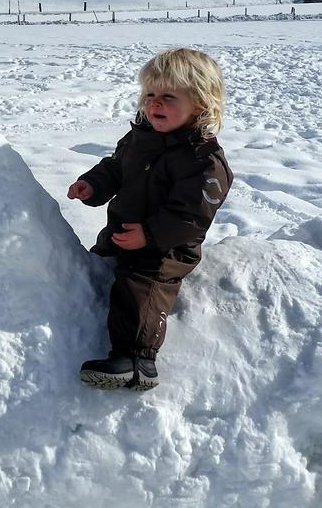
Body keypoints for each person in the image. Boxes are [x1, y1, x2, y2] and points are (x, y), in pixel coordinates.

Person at [68, 48, 233, 391]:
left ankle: (136, 360)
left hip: (165, 249)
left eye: (168, 97)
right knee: (95, 277)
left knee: (141, 286)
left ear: (200, 104)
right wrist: (93, 185)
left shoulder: (203, 161)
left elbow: (192, 217)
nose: (155, 104)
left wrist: (151, 235)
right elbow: (115, 168)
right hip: (121, 234)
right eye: (150, 95)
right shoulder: (139, 139)